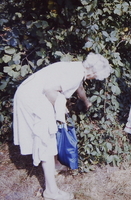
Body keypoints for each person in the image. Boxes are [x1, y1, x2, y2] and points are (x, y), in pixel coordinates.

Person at [13, 52, 112, 199]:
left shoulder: (77, 68)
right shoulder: (76, 74)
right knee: (46, 137)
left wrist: (86, 102)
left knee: (50, 134)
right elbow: (49, 90)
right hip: (32, 98)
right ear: (93, 71)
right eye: (96, 76)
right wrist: (61, 110)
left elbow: (79, 88)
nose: (95, 79)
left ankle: (55, 165)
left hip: (29, 93)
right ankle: (50, 191)